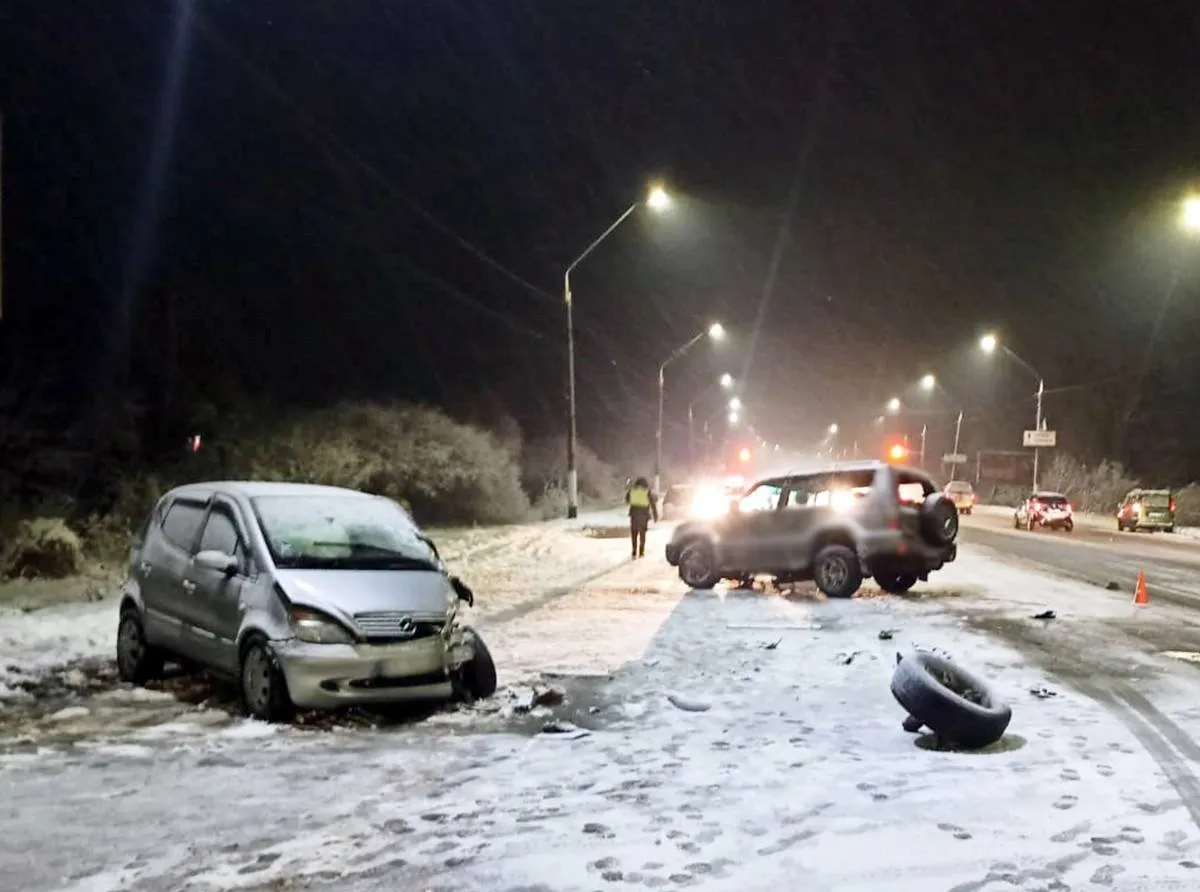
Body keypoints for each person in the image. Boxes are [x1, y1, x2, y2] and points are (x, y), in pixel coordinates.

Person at [625, 476, 658, 559]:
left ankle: (634, 551)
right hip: (643, 515)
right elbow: (652, 504)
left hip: (634, 514)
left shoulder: (632, 490)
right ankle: (641, 552)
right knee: (642, 534)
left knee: (634, 534)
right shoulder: (647, 492)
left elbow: (627, 500)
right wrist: (655, 515)